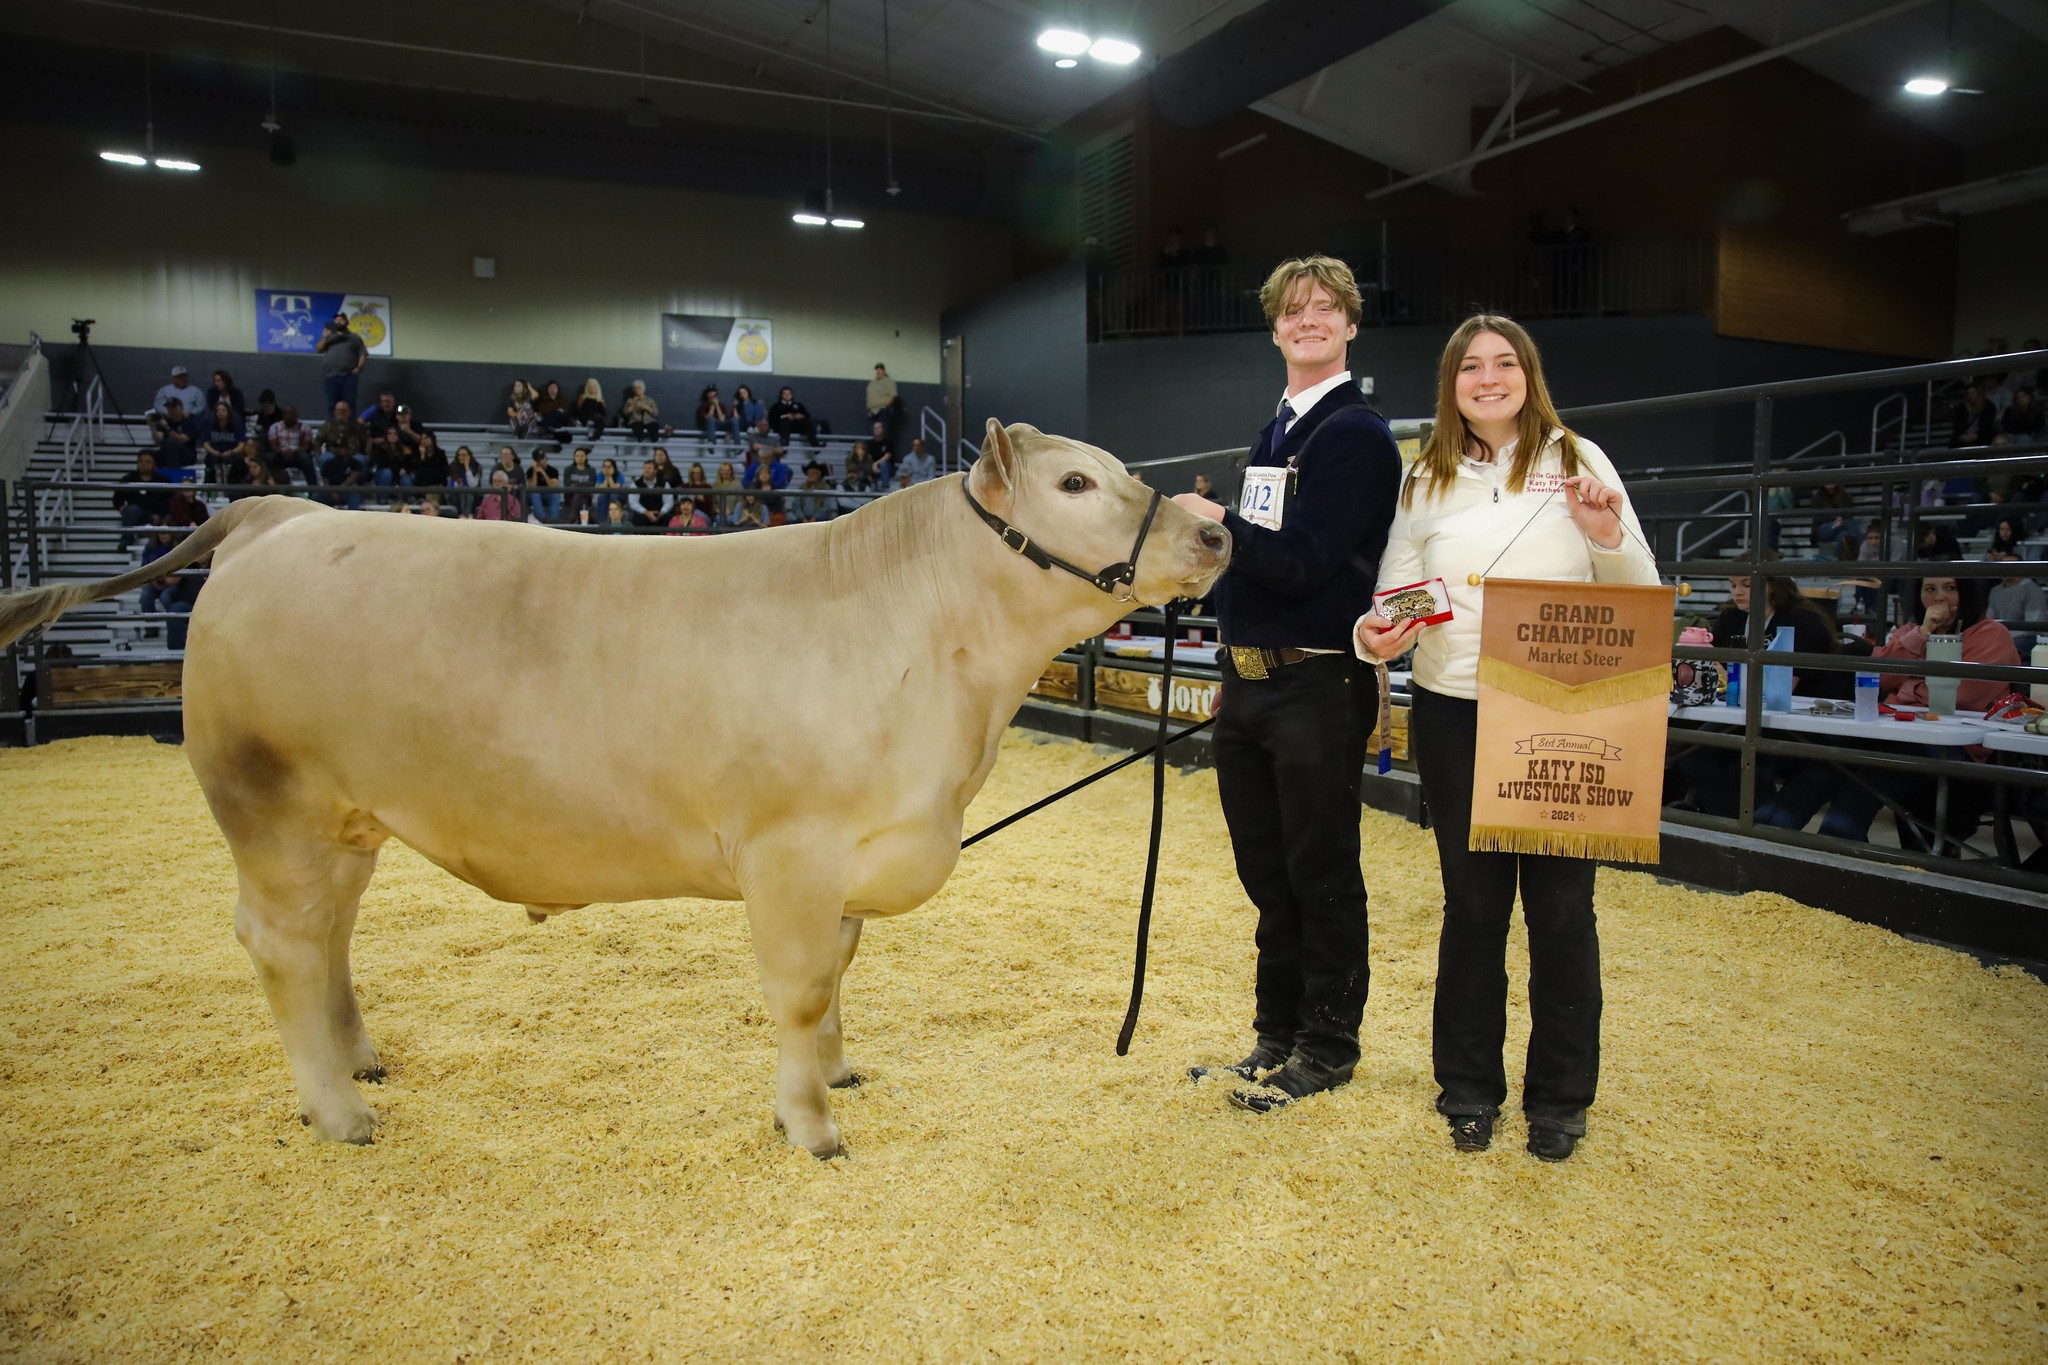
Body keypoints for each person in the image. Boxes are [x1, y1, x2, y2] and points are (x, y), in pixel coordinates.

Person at [1355, 311, 1658, 1161]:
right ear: (1451, 385)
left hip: (1565, 710)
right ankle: (1469, 1087)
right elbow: (1403, 589)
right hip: (1456, 708)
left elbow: (1640, 585)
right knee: (1475, 907)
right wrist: (1379, 634)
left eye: (1504, 364)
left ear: (1529, 374)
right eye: (1470, 368)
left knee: (1563, 912)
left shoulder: (1579, 458)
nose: (1488, 379)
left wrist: (1606, 535)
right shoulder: (1427, 479)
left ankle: (1560, 1097)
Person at [1170, 255, 1401, 1116]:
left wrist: (1220, 525)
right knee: (1267, 869)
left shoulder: (1356, 435)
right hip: (1253, 681)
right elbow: (1257, 567)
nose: (1308, 321)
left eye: (1325, 308)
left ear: (1350, 325)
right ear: (1275, 330)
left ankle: (1329, 1043)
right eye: (1293, 311)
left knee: (1320, 867)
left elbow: (1303, 564)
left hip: (1316, 680)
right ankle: (1276, 1031)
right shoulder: (1277, 431)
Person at [113, 451, 172, 545]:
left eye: (147, 461)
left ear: (154, 464)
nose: (143, 464)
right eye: (140, 461)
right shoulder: (128, 479)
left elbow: (169, 500)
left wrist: (159, 515)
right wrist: (121, 507)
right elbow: (117, 497)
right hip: (136, 514)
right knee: (132, 509)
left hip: (157, 515)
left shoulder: (163, 480)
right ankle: (125, 541)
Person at [318, 312, 368, 413]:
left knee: (350, 404)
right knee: (332, 404)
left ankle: (350, 427)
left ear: (347, 322)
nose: (338, 321)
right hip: (331, 375)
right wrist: (324, 337)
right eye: (336, 320)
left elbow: (363, 354)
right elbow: (319, 349)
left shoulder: (354, 338)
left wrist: (358, 368)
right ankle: (333, 428)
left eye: (341, 319)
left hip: (348, 376)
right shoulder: (329, 337)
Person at [1986, 549, 2046, 626]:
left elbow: (2033, 625)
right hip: (2000, 635)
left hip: (2024, 636)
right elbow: (1990, 620)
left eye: (2009, 566)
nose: (2004, 569)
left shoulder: (2033, 591)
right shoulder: (1995, 591)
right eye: (2002, 566)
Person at [265, 405, 315, 484]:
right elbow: (272, 445)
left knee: (306, 458)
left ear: (296, 416)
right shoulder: (275, 427)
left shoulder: (304, 427)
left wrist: (294, 452)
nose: (289, 416)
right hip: (281, 454)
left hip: (297, 454)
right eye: (287, 414)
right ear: (283, 415)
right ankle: (269, 484)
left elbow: (307, 446)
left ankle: (313, 487)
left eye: (292, 414)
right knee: (270, 458)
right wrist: (282, 452)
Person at [865, 363, 900, 449]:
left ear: (884, 370)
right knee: (873, 433)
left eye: (880, 369)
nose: (878, 371)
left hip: (883, 410)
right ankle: (873, 450)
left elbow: (893, 396)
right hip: (872, 411)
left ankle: (885, 450)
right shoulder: (872, 383)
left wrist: (885, 406)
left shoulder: (889, 382)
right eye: (877, 369)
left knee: (883, 432)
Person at [562, 446, 599, 524]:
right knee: (583, 501)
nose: (580, 458)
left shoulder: (591, 470)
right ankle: (587, 522)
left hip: (587, 495)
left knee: (582, 497)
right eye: (577, 456)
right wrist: (582, 485)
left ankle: (573, 517)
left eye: (582, 456)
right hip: (570, 496)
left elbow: (591, 485)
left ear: (586, 457)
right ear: (574, 457)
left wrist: (577, 485)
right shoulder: (568, 469)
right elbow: (567, 485)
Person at [447, 445, 486, 517]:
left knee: (469, 491)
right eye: (460, 455)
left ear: (469, 456)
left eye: (464, 455)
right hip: (456, 495)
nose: (462, 457)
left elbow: (473, 484)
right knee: (462, 491)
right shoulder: (453, 466)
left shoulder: (476, 466)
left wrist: (467, 467)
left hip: (473, 494)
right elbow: (455, 485)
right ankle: (461, 515)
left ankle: (470, 514)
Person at [527, 448, 563, 523]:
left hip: (548, 494)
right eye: (539, 459)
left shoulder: (553, 470)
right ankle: (542, 518)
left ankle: (554, 519)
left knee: (556, 494)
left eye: (543, 458)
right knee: (535, 493)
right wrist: (535, 471)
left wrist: (543, 472)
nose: (541, 461)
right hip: (535, 496)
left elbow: (553, 486)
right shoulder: (530, 471)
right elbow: (532, 486)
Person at [594, 456, 626, 524]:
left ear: (614, 467)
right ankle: (602, 521)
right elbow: (602, 489)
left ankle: (615, 519)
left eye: (609, 466)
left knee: (613, 495)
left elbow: (615, 488)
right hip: (606, 495)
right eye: (605, 466)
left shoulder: (619, 475)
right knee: (602, 496)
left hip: (619, 495)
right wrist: (606, 477)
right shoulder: (600, 474)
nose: (607, 469)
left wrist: (610, 477)